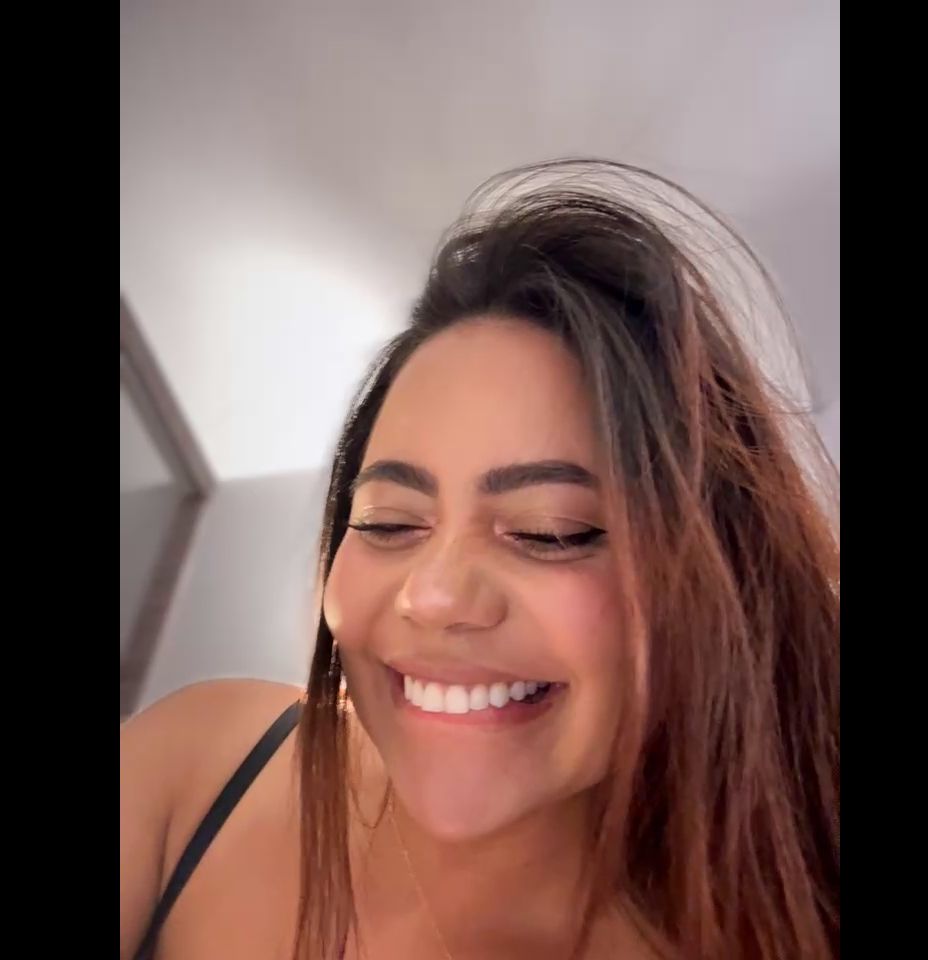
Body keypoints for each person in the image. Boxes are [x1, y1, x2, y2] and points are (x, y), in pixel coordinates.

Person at [120, 159, 840, 960]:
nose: (431, 596)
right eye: (389, 522)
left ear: (719, 582)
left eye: (550, 531)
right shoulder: (204, 762)